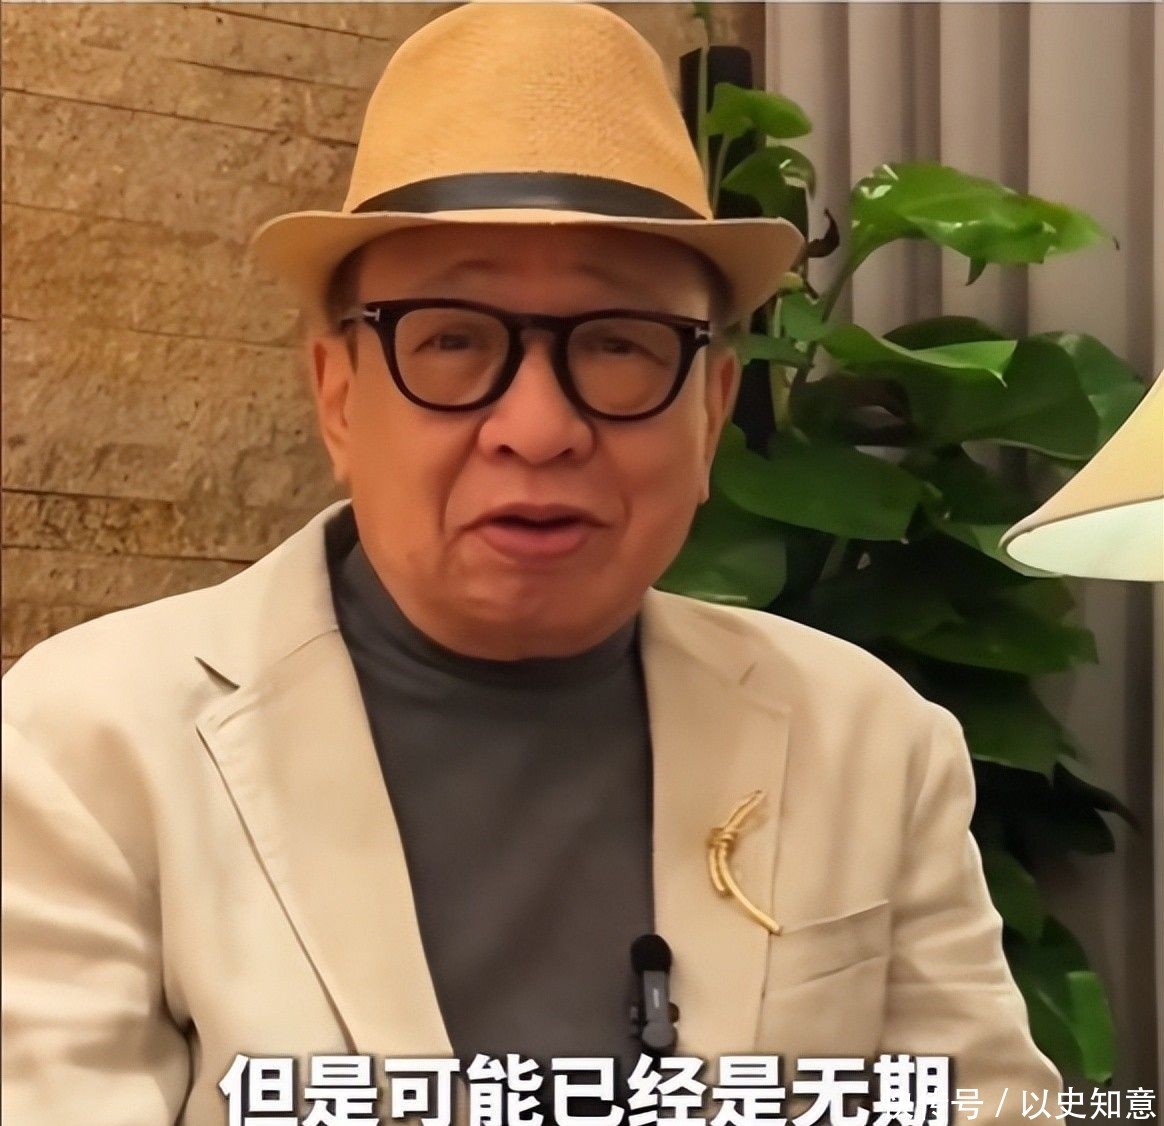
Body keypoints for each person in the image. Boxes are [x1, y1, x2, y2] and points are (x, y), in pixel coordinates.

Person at [2, 3, 1062, 1123]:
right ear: (339, 397)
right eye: (453, 340)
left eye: (618, 345)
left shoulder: (872, 743)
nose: (539, 429)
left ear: (711, 412)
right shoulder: (90, 746)